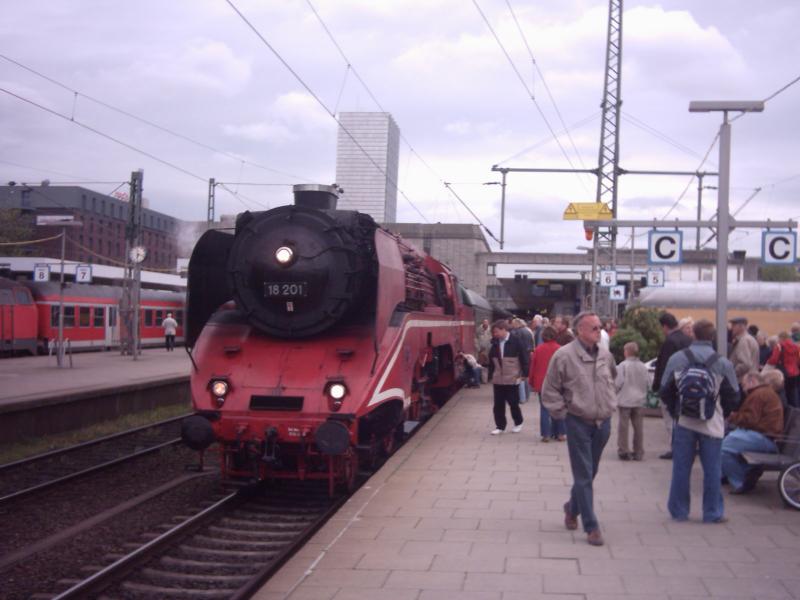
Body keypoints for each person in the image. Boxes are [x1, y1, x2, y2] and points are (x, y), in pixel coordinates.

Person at [542, 311, 617, 546]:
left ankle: (571, 507)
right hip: (578, 422)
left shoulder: (605, 355)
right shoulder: (563, 356)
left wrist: (610, 403)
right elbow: (550, 389)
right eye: (594, 328)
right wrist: (563, 415)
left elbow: (613, 379)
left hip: (603, 422)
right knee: (583, 474)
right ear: (580, 331)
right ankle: (591, 526)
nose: (599, 331)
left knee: (590, 471)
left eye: (600, 327)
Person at [659, 319, 740, 523]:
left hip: (684, 421)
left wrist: (675, 409)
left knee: (681, 468)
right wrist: (724, 412)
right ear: (712, 336)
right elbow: (734, 395)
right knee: (712, 469)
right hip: (712, 423)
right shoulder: (722, 362)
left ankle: (679, 511)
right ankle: (712, 513)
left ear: (693, 334)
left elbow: (664, 389)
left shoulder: (678, 358)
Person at [721, 372, 784, 494]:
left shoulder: (759, 394)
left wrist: (733, 416)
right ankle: (738, 474)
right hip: (765, 436)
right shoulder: (763, 393)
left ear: (752, 381)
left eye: (744, 384)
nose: (743, 388)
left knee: (723, 448)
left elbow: (750, 419)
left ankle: (740, 481)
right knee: (727, 441)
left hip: (763, 438)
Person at [652, 312, 692, 459]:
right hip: (686, 384)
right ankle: (684, 447)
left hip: (671, 386)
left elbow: (664, 366)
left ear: (665, 326)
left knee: (670, 420)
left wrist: (659, 386)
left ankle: (675, 448)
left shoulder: (670, 341)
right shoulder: (688, 340)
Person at [487, 319, 530, 435]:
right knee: (498, 403)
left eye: (496, 332)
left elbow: (524, 358)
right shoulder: (495, 342)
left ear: (504, 330)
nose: (494, 334)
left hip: (512, 376)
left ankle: (518, 422)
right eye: (494, 332)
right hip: (498, 378)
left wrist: (525, 374)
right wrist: (490, 375)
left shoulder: (516, 341)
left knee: (513, 402)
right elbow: (491, 360)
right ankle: (500, 426)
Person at [529, 326, 565, 442]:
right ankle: (560, 433)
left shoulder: (538, 349)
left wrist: (532, 383)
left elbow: (533, 368)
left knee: (544, 409)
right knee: (559, 408)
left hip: (542, 384)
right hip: (558, 384)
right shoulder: (561, 350)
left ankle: (546, 434)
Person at [615, 342, 649, 461]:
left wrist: (614, 393)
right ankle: (638, 451)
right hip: (639, 400)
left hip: (625, 399)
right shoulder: (643, 366)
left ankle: (624, 450)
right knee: (638, 427)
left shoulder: (623, 366)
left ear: (626, 352)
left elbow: (618, 382)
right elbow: (647, 382)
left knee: (623, 426)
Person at [766, 331, 800, 408]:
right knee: (794, 394)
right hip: (795, 373)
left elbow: (774, 360)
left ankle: (785, 413)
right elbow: (798, 361)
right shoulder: (796, 347)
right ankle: (795, 413)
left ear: (781, 338)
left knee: (783, 394)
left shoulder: (780, 346)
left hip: (784, 373)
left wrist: (768, 362)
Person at [729, 316, 760, 384]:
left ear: (741, 326)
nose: (731, 328)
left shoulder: (743, 341)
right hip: (750, 381)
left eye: (734, 325)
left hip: (743, 381)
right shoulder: (750, 339)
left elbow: (745, 364)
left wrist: (731, 373)